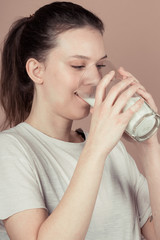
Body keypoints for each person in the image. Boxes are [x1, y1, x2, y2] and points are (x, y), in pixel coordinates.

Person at [0, 1, 160, 239]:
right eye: (78, 65)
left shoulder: (113, 150)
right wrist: (95, 148)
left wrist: (149, 147)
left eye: (100, 65)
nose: (95, 79)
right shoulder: (10, 150)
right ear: (36, 71)